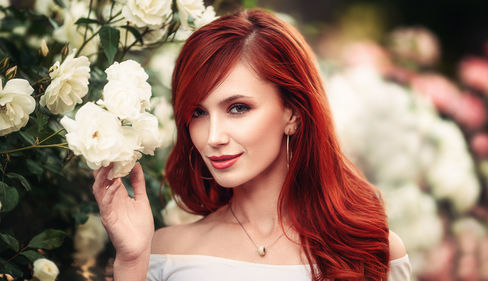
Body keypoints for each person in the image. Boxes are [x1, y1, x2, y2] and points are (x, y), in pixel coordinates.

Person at [92, 9, 411, 281]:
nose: (213, 136)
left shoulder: (370, 250)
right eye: (198, 113)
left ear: (294, 113)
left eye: (238, 108)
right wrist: (132, 263)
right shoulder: (163, 252)